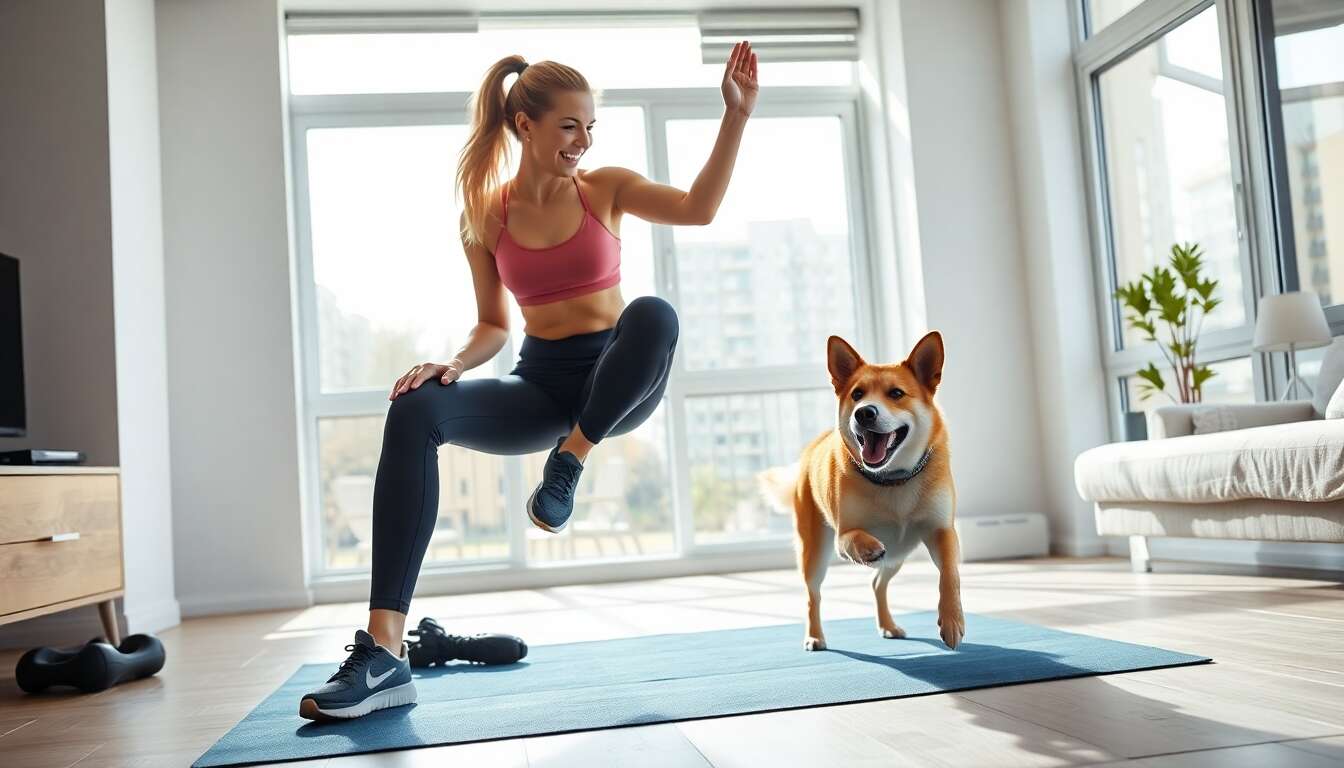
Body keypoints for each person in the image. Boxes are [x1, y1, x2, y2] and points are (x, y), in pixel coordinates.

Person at [299, 41, 759, 721]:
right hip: (542, 386)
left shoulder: (605, 188)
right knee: (415, 408)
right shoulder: (485, 211)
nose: (583, 140)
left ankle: (571, 459)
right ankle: (384, 654)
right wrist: (453, 364)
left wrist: (736, 117)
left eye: (590, 127)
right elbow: (492, 323)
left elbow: (698, 208)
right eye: (570, 125)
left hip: (618, 379)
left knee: (654, 313)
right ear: (526, 125)